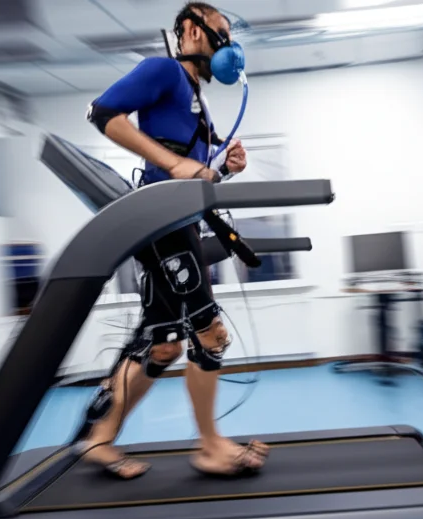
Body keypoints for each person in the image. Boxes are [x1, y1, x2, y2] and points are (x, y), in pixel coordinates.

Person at [78, 2, 268, 479]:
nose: (228, 45)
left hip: (180, 220)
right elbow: (103, 113)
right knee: (210, 333)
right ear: (191, 32)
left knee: (163, 344)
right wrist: (181, 165)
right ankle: (211, 446)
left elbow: (193, 173)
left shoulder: (195, 102)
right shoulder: (162, 70)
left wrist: (224, 168)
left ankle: (98, 440)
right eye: (221, 34)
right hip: (161, 220)